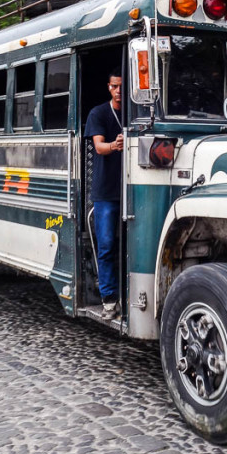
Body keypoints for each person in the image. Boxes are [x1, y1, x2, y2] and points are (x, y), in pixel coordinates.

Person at [85, 68, 124, 319]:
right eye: (114, 86)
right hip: (106, 191)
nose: (119, 91)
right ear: (108, 88)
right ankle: (109, 300)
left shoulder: (138, 112)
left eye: (122, 86)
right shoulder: (98, 113)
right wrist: (114, 145)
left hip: (133, 189)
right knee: (107, 245)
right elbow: (99, 147)